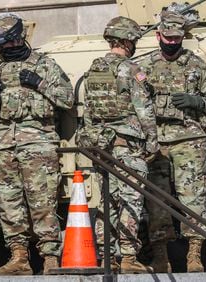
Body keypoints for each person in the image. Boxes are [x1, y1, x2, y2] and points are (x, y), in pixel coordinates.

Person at [0, 14, 74, 275]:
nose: (4, 49)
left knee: (42, 203)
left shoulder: (44, 65)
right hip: (5, 146)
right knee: (9, 204)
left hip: (38, 145)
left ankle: (50, 257)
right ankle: (18, 257)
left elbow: (66, 99)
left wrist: (38, 83)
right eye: (0, 46)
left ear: (18, 38)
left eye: (6, 43)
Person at [138, 11, 206, 272]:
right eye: (168, 37)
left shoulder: (196, 66)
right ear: (158, 35)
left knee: (193, 198)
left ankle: (194, 254)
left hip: (189, 140)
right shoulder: (143, 67)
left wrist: (198, 102)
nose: (172, 43)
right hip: (156, 142)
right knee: (157, 199)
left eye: (177, 38)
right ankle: (161, 255)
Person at [78, 16, 159, 274]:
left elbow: (89, 111)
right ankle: (127, 257)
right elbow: (143, 109)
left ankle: (106, 256)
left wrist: (93, 139)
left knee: (107, 202)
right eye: (133, 40)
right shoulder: (131, 70)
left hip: (102, 146)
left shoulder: (93, 69)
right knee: (131, 200)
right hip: (128, 146)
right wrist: (152, 143)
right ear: (126, 41)